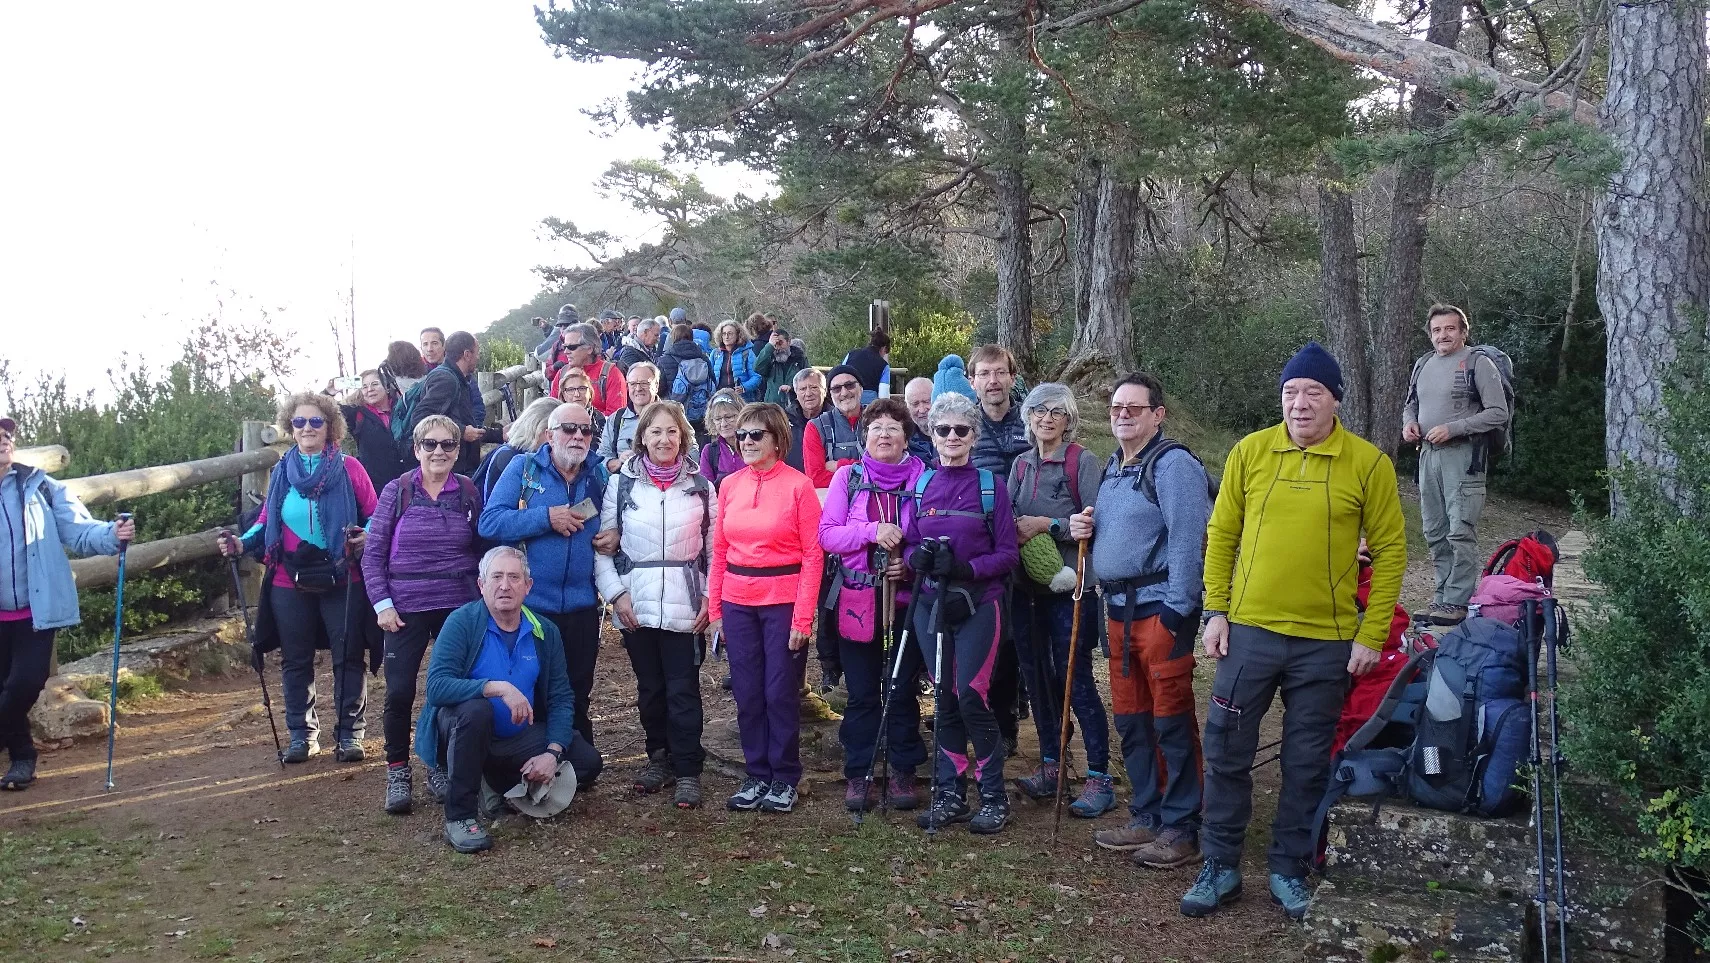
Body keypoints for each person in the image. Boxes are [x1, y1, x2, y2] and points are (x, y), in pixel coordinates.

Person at [1182, 342, 1405, 922]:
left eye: (1313, 393)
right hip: (1249, 632)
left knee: (1306, 761)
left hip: (1326, 642)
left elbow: (1390, 551)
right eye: (1290, 393)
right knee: (1228, 751)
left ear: (1335, 400)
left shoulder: (1368, 463)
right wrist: (1216, 611)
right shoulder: (1250, 454)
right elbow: (1221, 535)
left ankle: (1288, 866)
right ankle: (1220, 864)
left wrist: (1371, 634)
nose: (1300, 404)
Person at [1066, 374, 1214, 866]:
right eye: (1116, 407)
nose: (1123, 414)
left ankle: (1182, 826)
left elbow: (1190, 540)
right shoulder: (1115, 467)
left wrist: (1178, 609)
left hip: (1160, 610)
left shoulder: (1173, 466)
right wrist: (1086, 526)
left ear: (1158, 414)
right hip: (1118, 612)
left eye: (1134, 407)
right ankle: (1148, 814)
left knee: (1170, 718)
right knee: (1131, 719)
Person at [218, 392, 380, 764]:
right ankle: (301, 736)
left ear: (329, 426)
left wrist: (365, 536)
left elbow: (374, 514)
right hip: (288, 580)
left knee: (348, 656)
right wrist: (240, 545)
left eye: (315, 421)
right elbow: (264, 523)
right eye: (299, 422)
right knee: (295, 659)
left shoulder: (350, 468)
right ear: (290, 427)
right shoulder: (281, 472)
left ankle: (349, 736)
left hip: (343, 577)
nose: (307, 428)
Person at [415, 546, 604, 853]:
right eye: (497, 577)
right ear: (481, 584)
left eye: (514, 577)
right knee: (476, 711)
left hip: (518, 738)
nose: (505, 585)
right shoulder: (461, 622)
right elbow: (437, 687)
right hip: (465, 732)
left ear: (528, 586)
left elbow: (560, 697)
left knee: (587, 762)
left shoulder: (545, 631)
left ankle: (494, 784)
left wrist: (552, 754)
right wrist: (496, 687)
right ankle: (460, 816)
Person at [904, 393, 1020, 834]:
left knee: (972, 695)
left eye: (961, 430)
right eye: (942, 429)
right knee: (945, 698)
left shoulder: (991, 486)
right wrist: (918, 559)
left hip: (978, 605)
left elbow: (1008, 553)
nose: (952, 437)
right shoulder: (921, 485)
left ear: (973, 435)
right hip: (931, 606)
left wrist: (966, 569)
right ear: (931, 434)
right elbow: (913, 540)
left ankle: (993, 796)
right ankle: (949, 794)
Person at [0, 416, 134, 791]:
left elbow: (79, 529)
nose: (3, 439)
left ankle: (20, 757)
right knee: (5, 691)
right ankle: (22, 758)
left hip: (34, 612)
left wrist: (112, 534)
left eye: (6, 434)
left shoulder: (40, 486)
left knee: (25, 684)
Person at [593, 401, 716, 809]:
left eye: (672, 432)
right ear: (641, 437)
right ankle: (658, 757)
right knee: (650, 689)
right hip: (636, 601)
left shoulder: (701, 485)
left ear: (683, 436)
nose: (664, 439)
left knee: (683, 689)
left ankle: (687, 769)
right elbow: (603, 546)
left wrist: (709, 597)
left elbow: (715, 550)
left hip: (685, 599)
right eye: (655, 432)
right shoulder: (622, 484)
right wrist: (616, 594)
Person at [362, 415, 486, 814]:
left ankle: (440, 764)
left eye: (448, 444)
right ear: (416, 449)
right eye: (429, 444)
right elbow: (373, 552)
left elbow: (483, 548)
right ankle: (397, 770)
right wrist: (382, 604)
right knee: (399, 692)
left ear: (457, 449)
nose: (439, 452)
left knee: (449, 689)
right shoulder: (396, 491)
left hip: (457, 605)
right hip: (405, 608)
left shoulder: (468, 491)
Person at [707, 402, 824, 814]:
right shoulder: (730, 485)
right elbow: (719, 549)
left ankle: (784, 775)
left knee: (779, 692)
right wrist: (716, 610)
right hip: (737, 602)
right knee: (747, 692)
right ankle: (756, 773)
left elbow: (813, 554)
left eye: (757, 434)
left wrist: (803, 617)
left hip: (783, 601)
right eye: (742, 435)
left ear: (777, 438)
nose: (748, 442)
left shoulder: (799, 486)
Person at [1006, 383, 1115, 817]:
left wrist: (1046, 524)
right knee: (1036, 679)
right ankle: (1053, 764)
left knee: (1074, 680)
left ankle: (1100, 776)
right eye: (1038, 411)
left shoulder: (1081, 462)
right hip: (1025, 589)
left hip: (1072, 591)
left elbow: (1094, 522)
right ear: (1028, 417)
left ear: (1068, 419)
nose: (1046, 419)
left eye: (1056, 412)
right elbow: (1009, 517)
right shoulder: (1020, 464)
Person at [818, 399, 928, 812]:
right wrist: (871, 531)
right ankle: (859, 771)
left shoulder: (923, 479)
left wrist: (910, 562)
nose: (884, 434)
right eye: (876, 427)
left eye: (893, 428)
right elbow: (828, 534)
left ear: (906, 437)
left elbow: (930, 534)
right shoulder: (849, 478)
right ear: (864, 436)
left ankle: (902, 769)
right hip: (858, 599)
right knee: (863, 691)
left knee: (900, 689)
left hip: (904, 600)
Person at [479, 402, 609, 751]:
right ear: (549, 435)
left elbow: (618, 521)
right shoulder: (523, 470)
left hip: (583, 607)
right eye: (568, 428)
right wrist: (545, 518)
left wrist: (617, 535)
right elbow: (490, 523)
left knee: (578, 689)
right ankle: (531, 761)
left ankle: (574, 760)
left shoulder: (599, 476)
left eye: (586, 430)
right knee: (534, 689)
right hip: (533, 609)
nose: (578, 436)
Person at [1402, 304, 1507, 626]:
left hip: (1463, 457)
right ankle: (1441, 597)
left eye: (1449, 329)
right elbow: (1411, 404)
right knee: (1434, 530)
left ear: (1463, 331)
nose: (1442, 335)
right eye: (1436, 330)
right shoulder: (1423, 364)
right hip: (1427, 455)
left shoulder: (1479, 363)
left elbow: (1498, 412)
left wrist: (1454, 428)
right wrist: (1409, 423)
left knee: (1460, 530)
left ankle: (1457, 602)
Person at [966, 345, 1030, 753]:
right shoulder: (961, 422)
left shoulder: (1032, 416)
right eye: (984, 373)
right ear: (972, 380)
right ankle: (993, 722)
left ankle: (1015, 717)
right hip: (984, 542)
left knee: (1022, 634)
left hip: (1032, 538)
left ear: (1011, 377)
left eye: (1000, 373)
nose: (993, 381)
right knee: (993, 634)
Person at [406, 331, 501, 476]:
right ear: (467, 354)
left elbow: (461, 421)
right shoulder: (446, 379)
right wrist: (461, 432)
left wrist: (499, 434)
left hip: (457, 466)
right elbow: (420, 417)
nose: (478, 357)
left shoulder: (459, 378)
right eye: (477, 352)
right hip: (451, 469)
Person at [472, 397, 558, 502]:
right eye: (557, 432)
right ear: (538, 428)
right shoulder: (508, 457)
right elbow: (494, 512)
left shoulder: (538, 456)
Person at [341, 369, 411, 491]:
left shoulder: (403, 407)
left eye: (375, 384)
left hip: (407, 483)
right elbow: (326, 409)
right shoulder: (356, 413)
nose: (370, 389)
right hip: (374, 488)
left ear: (387, 387)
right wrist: (330, 391)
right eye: (364, 387)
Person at [801, 364, 864, 489]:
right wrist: (866, 472)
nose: (844, 393)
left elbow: (888, 468)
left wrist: (838, 465)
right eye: (836, 389)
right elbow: (815, 479)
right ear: (830, 394)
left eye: (849, 385)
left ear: (861, 388)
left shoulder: (878, 420)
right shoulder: (816, 427)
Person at [597, 361, 665, 474]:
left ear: (656, 385)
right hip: (625, 486)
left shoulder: (672, 416)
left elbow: (691, 451)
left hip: (663, 484)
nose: (638, 388)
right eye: (633, 384)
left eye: (644, 383)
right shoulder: (616, 419)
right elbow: (601, 457)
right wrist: (619, 462)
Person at [552, 322, 627, 416]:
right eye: (564, 347)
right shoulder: (562, 373)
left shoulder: (611, 374)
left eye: (572, 347)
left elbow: (616, 418)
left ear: (589, 348)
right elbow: (552, 413)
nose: (566, 352)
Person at [781, 367, 827, 473]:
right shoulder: (783, 419)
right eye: (802, 389)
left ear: (824, 391)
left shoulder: (835, 420)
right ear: (796, 393)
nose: (808, 393)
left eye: (814, 387)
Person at [551, 367, 608, 446]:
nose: (577, 394)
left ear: (590, 393)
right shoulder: (555, 420)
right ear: (563, 395)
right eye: (570, 390)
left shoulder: (600, 419)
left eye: (582, 388)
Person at [699, 390, 745, 489]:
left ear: (742, 415)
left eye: (729, 417)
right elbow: (707, 492)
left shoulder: (754, 446)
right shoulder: (709, 452)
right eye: (718, 419)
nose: (723, 424)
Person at [754, 327, 808, 404]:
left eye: (780, 343)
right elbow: (757, 368)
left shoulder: (800, 359)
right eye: (775, 344)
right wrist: (769, 346)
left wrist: (791, 387)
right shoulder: (769, 359)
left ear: (788, 341)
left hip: (795, 406)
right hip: (772, 406)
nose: (777, 347)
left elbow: (807, 379)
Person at [709, 320, 761, 399]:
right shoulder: (715, 353)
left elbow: (756, 376)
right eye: (724, 334)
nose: (726, 337)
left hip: (742, 399)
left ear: (738, 335)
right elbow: (709, 377)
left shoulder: (747, 353)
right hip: (720, 398)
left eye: (730, 333)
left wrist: (744, 387)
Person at [841, 329, 893, 406]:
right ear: (884, 348)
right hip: (869, 406)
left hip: (848, 400)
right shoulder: (884, 365)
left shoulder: (851, 354)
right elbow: (883, 396)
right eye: (885, 353)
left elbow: (840, 374)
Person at [904, 377, 936, 463]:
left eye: (926, 402)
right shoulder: (903, 438)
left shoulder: (954, 432)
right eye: (915, 404)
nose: (922, 410)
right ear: (907, 406)